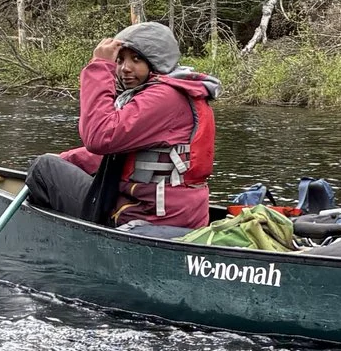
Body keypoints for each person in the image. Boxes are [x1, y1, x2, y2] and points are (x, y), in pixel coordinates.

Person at [24, 21, 221, 234]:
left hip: (148, 219)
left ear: (157, 62)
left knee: (43, 169)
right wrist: (66, 160)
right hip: (174, 214)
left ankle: (60, 243)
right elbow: (120, 155)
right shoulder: (172, 92)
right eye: (120, 60)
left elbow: (99, 137)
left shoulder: (165, 97)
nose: (125, 68)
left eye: (136, 59)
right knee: (54, 164)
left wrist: (99, 67)